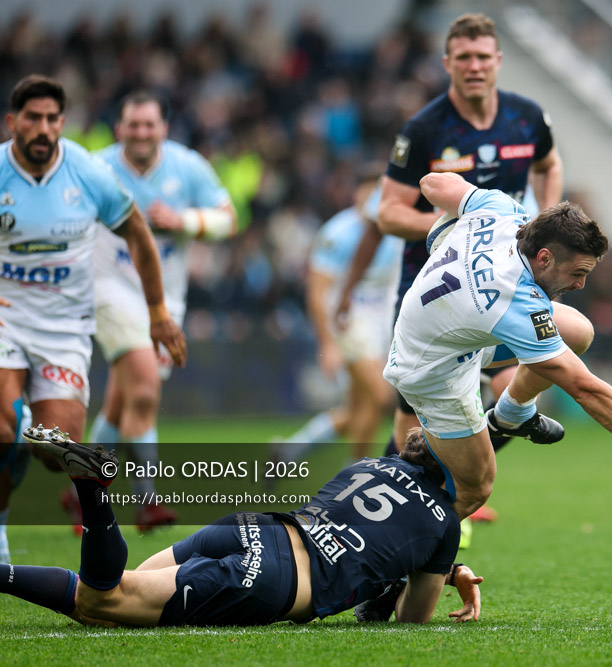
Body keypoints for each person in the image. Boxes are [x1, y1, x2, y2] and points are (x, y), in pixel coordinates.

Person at [335, 13, 581, 526]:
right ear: (448, 63)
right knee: (411, 421)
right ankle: (382, 516)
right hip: (436, 285)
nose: (474, 66)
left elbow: (549, 163)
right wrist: (464, 219)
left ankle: (452, 492)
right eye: (463, 57)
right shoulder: (424, 128)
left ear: (498, 61)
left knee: (525, 372)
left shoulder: (527, 117)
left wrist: (546, 220)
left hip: (508, 283)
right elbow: (387, 212)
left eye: (483, 57)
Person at [385, 172, 612, 519]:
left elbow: (431, 183)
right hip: (432, 370)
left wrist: (441, 233)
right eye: (577, 272)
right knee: (474, 488)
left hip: (451, 330)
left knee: (576, 331)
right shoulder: (515, 300)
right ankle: (396, 556)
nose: (580, 284)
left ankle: (512, 415)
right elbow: (584, 388)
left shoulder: (502, 210)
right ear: (544, 257)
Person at [1, 425, 481, 627]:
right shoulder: (445, 523)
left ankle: (87, 487)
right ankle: (90, 486)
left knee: (106, 602)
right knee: (103, 601)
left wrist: (439, 567)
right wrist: (441, 572)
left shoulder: (369, 464)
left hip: (252, 528)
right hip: (275, 577)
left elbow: (374, 530)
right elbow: (411, 620)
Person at [0, 75, 186, 562]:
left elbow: (139, 236)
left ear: (62, 123)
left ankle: (22, 434)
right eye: (32, 118)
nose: (42, 128)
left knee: (54, 449)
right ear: (12, 122)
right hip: (6, 319)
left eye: (51, 119)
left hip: (64, 328)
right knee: (1, 426)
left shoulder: (85, 172)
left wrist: (158, 315)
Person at [86, 90, 236, 531]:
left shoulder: (187, 166)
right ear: (119, 129)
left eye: (149, 125)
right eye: (133, 125)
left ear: (163, 129)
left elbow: (229, 219)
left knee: (120, 401)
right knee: (146, 391)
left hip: (167, 298)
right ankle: (148, 501)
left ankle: (81, 491)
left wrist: (183, 220)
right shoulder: (96, 168)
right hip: (109, 290)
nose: (141, 133)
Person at [275, 170, 400, 463]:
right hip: (348, 323)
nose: (373, 201)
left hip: (381, 323)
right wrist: (327, 343)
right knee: (381, 396)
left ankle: (288, 452)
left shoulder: (394, 228)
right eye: (367, 194)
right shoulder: (338, 233)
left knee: (361, 406)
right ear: (354, 194)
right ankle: (355, 471)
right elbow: (317, 292)